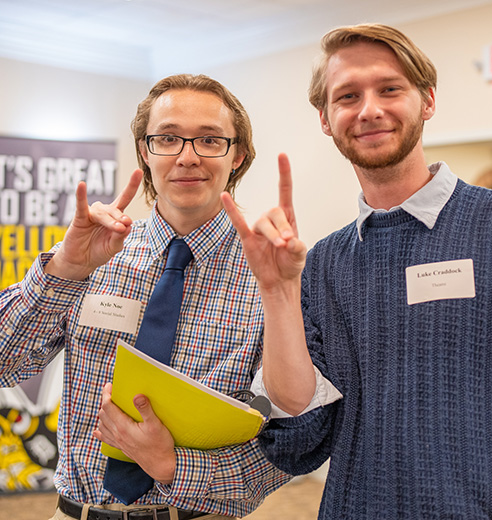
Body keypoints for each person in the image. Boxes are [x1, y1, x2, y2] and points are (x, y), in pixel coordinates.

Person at [222, 24, 492, 520]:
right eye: (347, 96)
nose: (369, 109)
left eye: (389, 88)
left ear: (427, 100)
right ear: (325, 118)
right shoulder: (322, 262)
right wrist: (277, 292)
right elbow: (302, 434)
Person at [0, 74, 290, 520]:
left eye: (210, 140)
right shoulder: (95, 254)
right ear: (144, 151)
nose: (187, 157)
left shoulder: (272, 276)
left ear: (238, 155)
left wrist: (175, 466)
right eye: (168, 138)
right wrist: (63, 271)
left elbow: (292, 441)